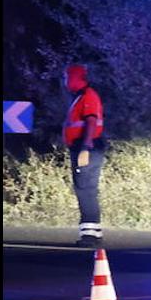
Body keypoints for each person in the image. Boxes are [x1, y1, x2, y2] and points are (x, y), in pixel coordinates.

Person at [62, 64, 106, 247]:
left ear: (75, 77)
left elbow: (91, 121)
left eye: (66, 77)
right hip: (83, 146)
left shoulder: (87, 96)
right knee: (85, 188)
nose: (65, 82)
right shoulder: (81, 97)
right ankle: (92, 232)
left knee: (85, 188)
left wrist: (85, 147)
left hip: (87, 147)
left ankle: (89, 235)